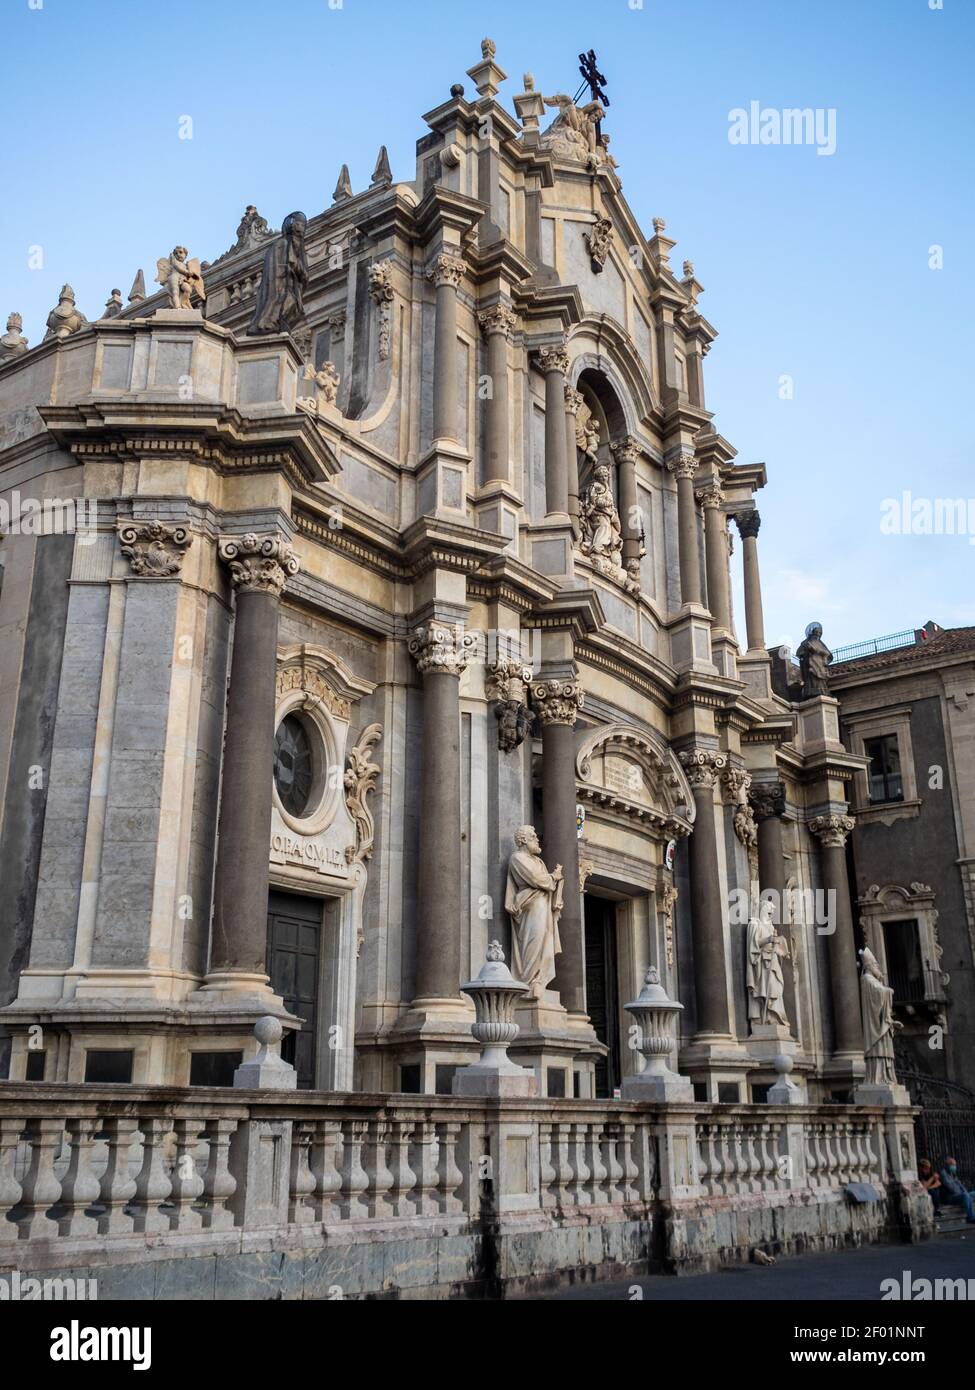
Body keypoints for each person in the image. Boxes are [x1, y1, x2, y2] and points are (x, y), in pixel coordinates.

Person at [937, 1156, 975, 1223]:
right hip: (949, 1198)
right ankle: (970, 1217)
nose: (954, 1166)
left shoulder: (953, 1174)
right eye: (952, 1165)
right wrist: (963, 1194)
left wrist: (965, 1192)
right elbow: (950, 1187)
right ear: (947, 1165)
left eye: (955, 1165)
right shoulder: (943, 1173)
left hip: (958, 1195)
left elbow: (960, 1185)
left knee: (972, 1193)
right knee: (965, 1196)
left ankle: (967, 1201)